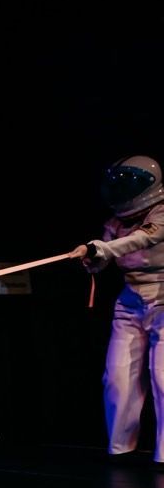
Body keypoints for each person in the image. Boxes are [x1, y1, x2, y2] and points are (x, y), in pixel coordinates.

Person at [70, 155, 164, 466]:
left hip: (163, 299)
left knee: (162, 376)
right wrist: (93, 259)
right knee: (117, 376)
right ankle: (120, 448)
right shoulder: (115, 222)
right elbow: (106, 256)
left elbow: (144, 237)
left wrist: (102, 247)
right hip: (130, 300)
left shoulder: (160, 213)